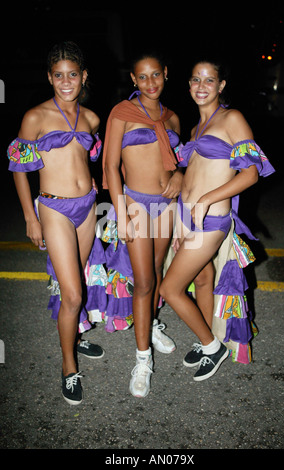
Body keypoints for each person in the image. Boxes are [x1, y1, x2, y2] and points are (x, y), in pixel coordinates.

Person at [160, 59, 275, 381]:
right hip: (188, 217)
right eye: (195, 79)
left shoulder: (232, 118)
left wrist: (209, 199)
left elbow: (251, 174)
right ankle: (206, 336)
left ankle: (213, 347)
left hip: (212, 220)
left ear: (221, 85)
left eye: (209, 81)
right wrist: (182, 222)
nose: (201, 86)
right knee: (202, 280)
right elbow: (194, 177)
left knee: (170, 289)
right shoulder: (196, 128)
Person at [7, 41, 105, 405]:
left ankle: (76, 335)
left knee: (75, 283)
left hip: (88, 207)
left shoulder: (92, 118)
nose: (66, 81)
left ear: (83, 77)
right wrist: (30, 217)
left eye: (73, 75)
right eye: (59, 75)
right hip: (54, 209)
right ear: (50, 77)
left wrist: (91, 181)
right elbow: (19, 169)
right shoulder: (35, 117)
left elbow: (86, 157)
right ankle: (68, 366)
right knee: (74, 293)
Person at [102, 52, 183, 397]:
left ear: (165, 74)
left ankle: (149, 326)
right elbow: (109, 165)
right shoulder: (122, 111)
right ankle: (142, 359)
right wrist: (120, 213)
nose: (150, 82)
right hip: (135, 202)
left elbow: (180, 160)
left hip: (166, 205)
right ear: (134, 80)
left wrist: (180, 174)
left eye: (156, 75)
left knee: (157, 272)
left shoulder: (172, 117)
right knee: (145, 281)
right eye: (142, 77)